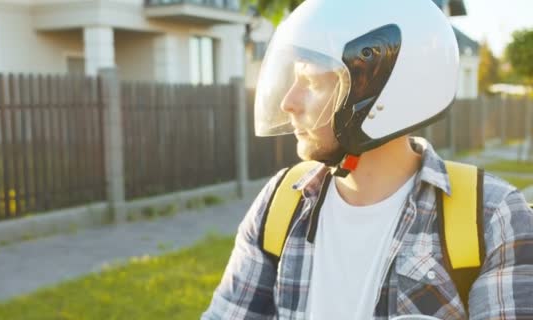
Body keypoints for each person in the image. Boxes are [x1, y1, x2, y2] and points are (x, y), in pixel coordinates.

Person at [202, 0, 533, 319]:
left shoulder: (492, 216)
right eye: (294, 80)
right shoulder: (280, 203)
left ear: (386, 91)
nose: (289, 102)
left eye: (313, 82)